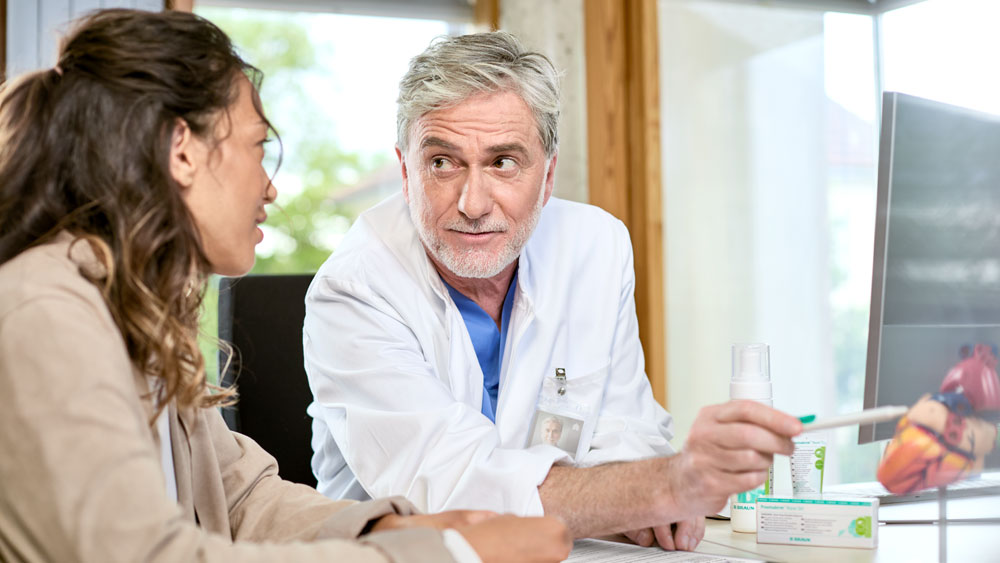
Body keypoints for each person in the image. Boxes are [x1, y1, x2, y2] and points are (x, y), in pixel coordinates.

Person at [0, 10, 571, 563]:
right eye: (258, 147)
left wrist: (401, 527)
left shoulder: (134, 315)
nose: (270, 187)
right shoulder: (46, 315)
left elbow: (240, 496)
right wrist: (439, 553)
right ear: (182, 151)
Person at [304, 30, 803, 551]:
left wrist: (643, 502)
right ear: (406, 174)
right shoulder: (353, 290)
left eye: (503, 162)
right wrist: (659, 488)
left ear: (547, 177)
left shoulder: (595, 246)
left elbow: (628, 434)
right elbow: (449, 490)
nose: (473, 204)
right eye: (442, 163)